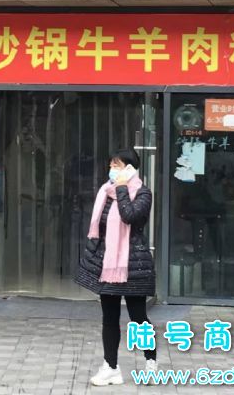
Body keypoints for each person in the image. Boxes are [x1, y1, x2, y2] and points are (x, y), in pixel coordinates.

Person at [74, 147, 157, 386]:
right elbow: (98, 228)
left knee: (138, 317)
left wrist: (121, 188)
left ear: (130, 168)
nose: (111, 169)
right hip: (108, 265)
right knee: (109, 317)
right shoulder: (105, 191)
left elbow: (129, 216)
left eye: (117, 165)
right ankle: (111, 367)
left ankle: (151, 362)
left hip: (133, 265)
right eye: (111, 164)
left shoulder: (143, 193)